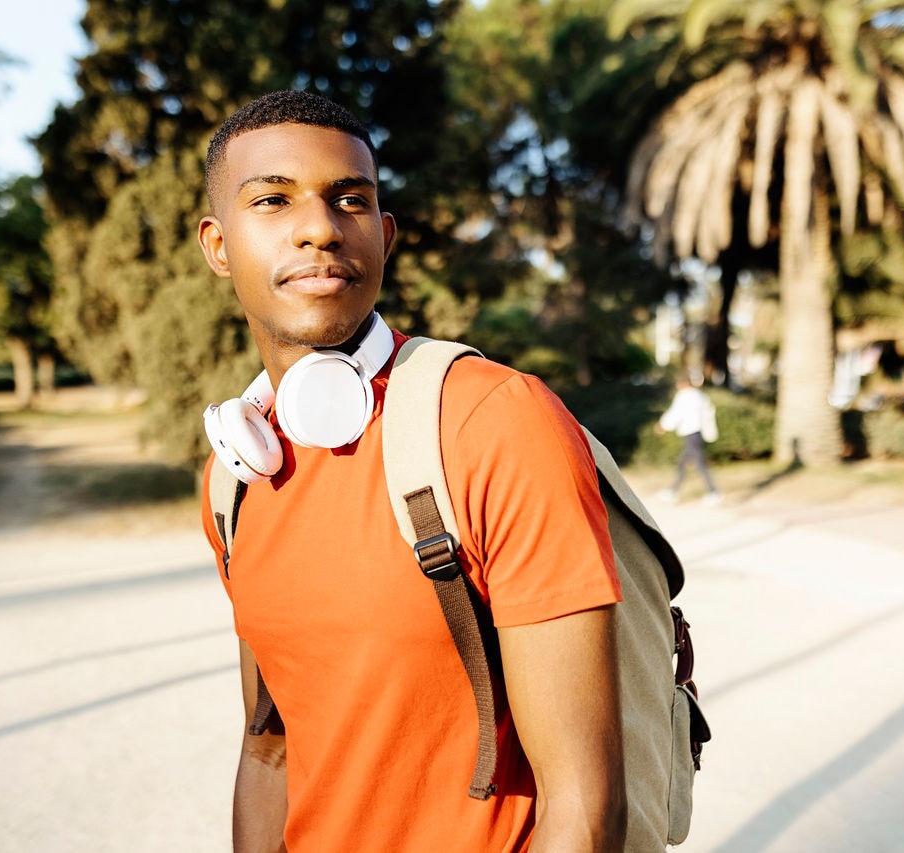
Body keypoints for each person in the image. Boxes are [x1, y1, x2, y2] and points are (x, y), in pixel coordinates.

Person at [195, 90, 626, 852]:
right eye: (272, 199)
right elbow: (269, 745)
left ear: (383, 235)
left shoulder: (495, 422)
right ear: (218, 244)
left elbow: (584, 806)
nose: (320, 228)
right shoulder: (236, 476)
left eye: (349, 199)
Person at [655, 374, 722, 505]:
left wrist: (663, 426)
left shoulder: (685, 396)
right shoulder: (700, 396)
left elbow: (676, 413)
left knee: (699, 463)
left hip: (691, 432)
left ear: (682, 384)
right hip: (697, 433)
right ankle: (674, 491)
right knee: (683, 463)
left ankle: (713, 492)